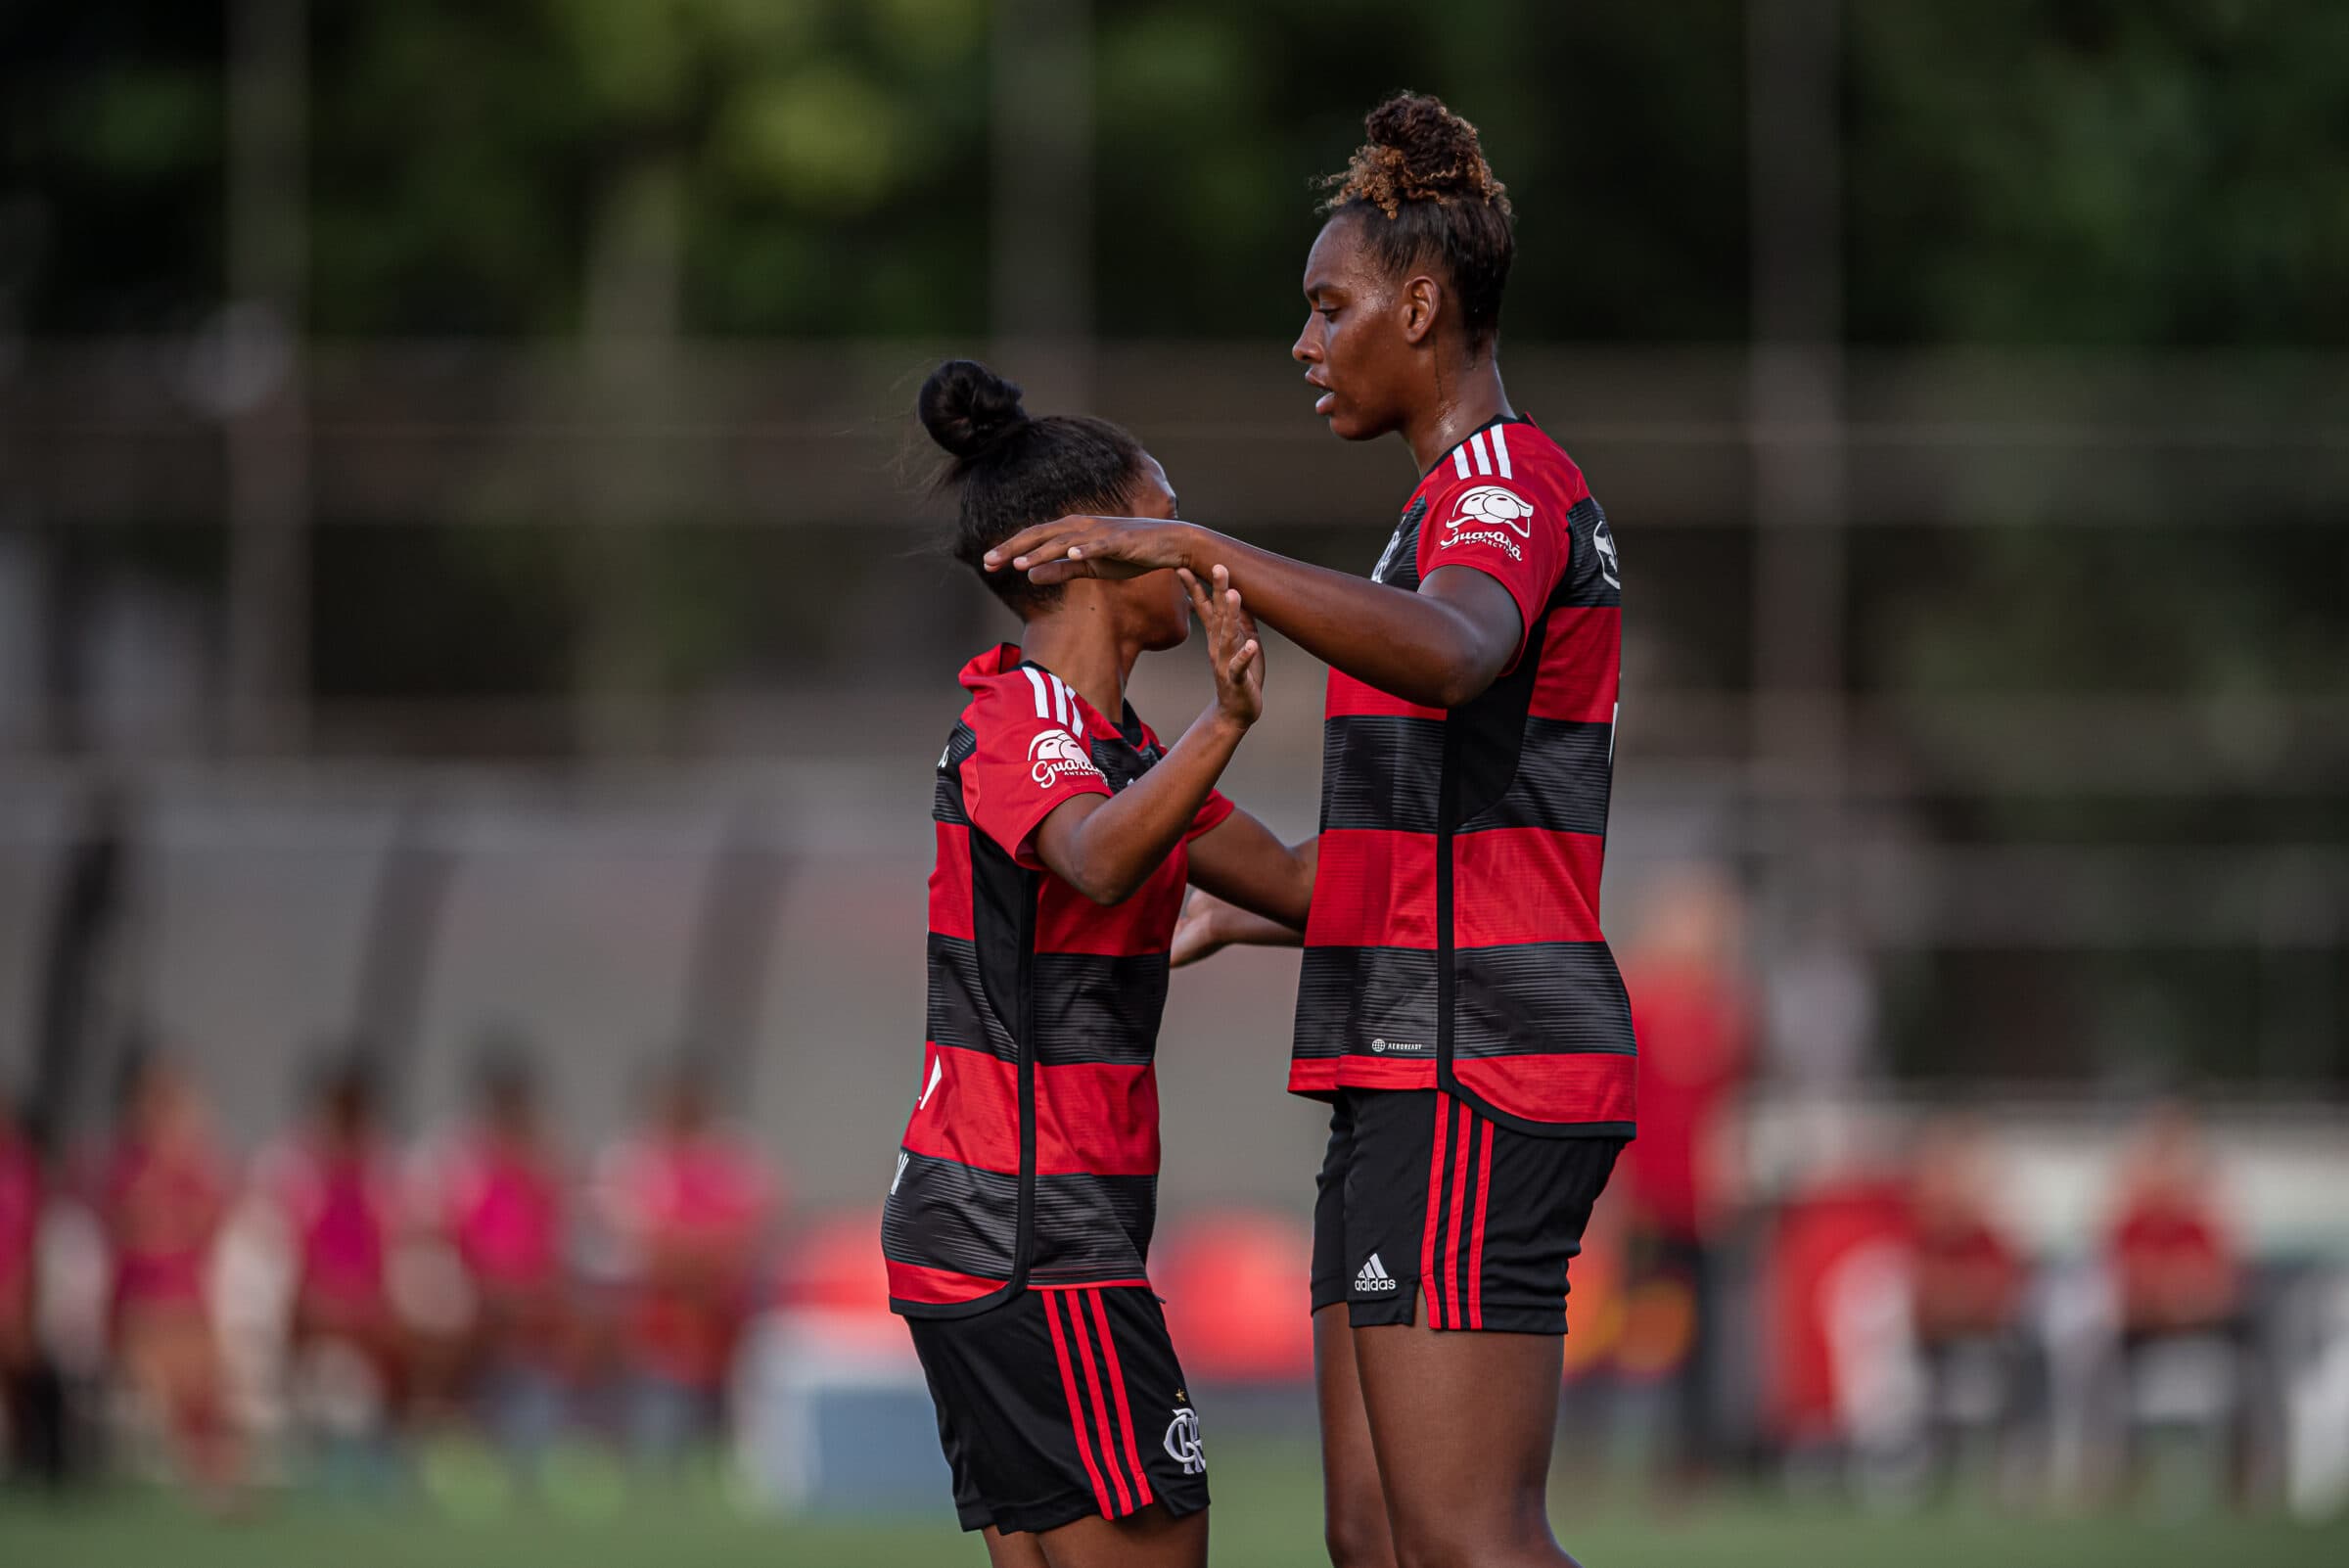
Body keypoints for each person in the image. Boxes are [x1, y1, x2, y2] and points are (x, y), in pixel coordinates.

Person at [994, 95, 1634, 1568]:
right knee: (1377, 1542)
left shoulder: (1502, 488)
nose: (1306, 341)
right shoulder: (1429, 518)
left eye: (1328, 306)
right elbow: (1450, 847)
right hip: (1404, 1052)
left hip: (1478, 1061)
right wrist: (1273, 901)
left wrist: (1201, 547)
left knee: (1468, 1540)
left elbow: (1461, 650)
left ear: (1421, 307)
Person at [883, 358, 1313, 1568]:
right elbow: (1096, 861)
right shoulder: (1020, 722)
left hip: (1022, 1224)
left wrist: (1481, 832)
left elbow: (1296, 885)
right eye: (1161, 520)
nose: (1189, 551)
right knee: (1162, 1541)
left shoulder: (1125, 751)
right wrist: (1227, 724)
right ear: (1079, 554)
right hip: (1026, 1225)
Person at [595, 1061, 776, 1468]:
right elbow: (641, 1250)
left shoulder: (735, 1158)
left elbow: (751, 1242)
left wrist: (690, 1257)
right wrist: (697, 1260)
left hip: (728, 1328)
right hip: (653, 1335)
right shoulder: (631, 1161)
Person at [95, 1052, 240, 1501]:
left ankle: (213, 1472)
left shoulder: (196, 1170)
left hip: (190, 1307)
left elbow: (207, 1225)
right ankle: (193, 1468)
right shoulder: (122, 1170)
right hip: (142, 1313)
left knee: (206, 1372)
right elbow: (131, 1239)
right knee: (167, 1359)